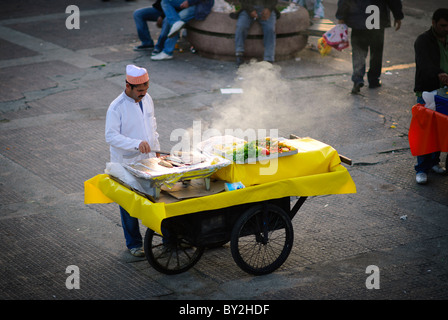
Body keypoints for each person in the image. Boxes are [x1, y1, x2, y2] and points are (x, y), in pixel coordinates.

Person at [105, 65, 161, 256]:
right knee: (129, 204)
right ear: (127, 86)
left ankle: (166, 237)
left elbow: (152, 126)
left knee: (156, 198)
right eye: (139, 91)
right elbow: (111, 136)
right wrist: (136, 144)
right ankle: (134, 244)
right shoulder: (116, 107)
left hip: (149, 159)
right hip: (126, 163)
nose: (143, 94)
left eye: (146, 90)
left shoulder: (148, 98)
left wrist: (157, 149)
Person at [336, 0, 403, 94]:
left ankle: (357, 79)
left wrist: (341, 16)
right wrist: (398, 15)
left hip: (359, 19)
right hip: (377, 19)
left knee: (359, 51)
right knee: (376, 52)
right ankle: (374, 79)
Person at [413, 8, 448, 184]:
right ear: (433, 23)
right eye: (442, 25)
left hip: (445, 92)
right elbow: (424, 65)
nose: (445, 29)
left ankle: (434, 162)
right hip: (427, 92)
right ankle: (421, 168)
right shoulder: (423, 40)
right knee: (425, 131)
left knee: (440, 130)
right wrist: (440, 74)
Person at [233, 0, 279, 66]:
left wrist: (268, 8)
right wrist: (250, 10)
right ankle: (239, 54)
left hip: (266, 8)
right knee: (241, 26)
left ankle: (269, 59)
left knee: (270, 29)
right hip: (247, 9)